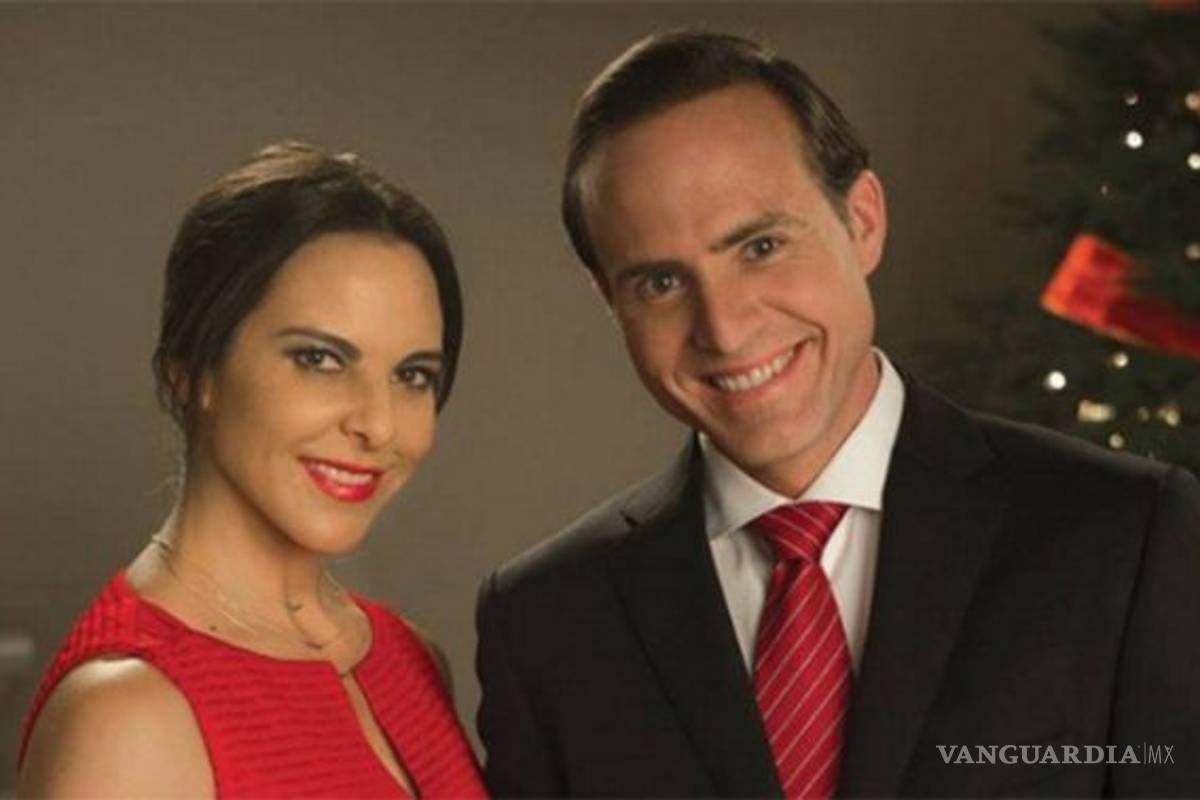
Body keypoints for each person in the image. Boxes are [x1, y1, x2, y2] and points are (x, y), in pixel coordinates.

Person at [475, 30, 1200, 798]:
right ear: (609, 300)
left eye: (760, 247)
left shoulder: (1124, 537)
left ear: (863, 221)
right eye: (660, 283)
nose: (725, 328)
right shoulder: (546, 623)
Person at [18, 142, 487, 799]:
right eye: (320, 359)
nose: (379, 425)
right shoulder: (124, 718)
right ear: (193, 371)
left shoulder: (408, 655)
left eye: (413, 375)